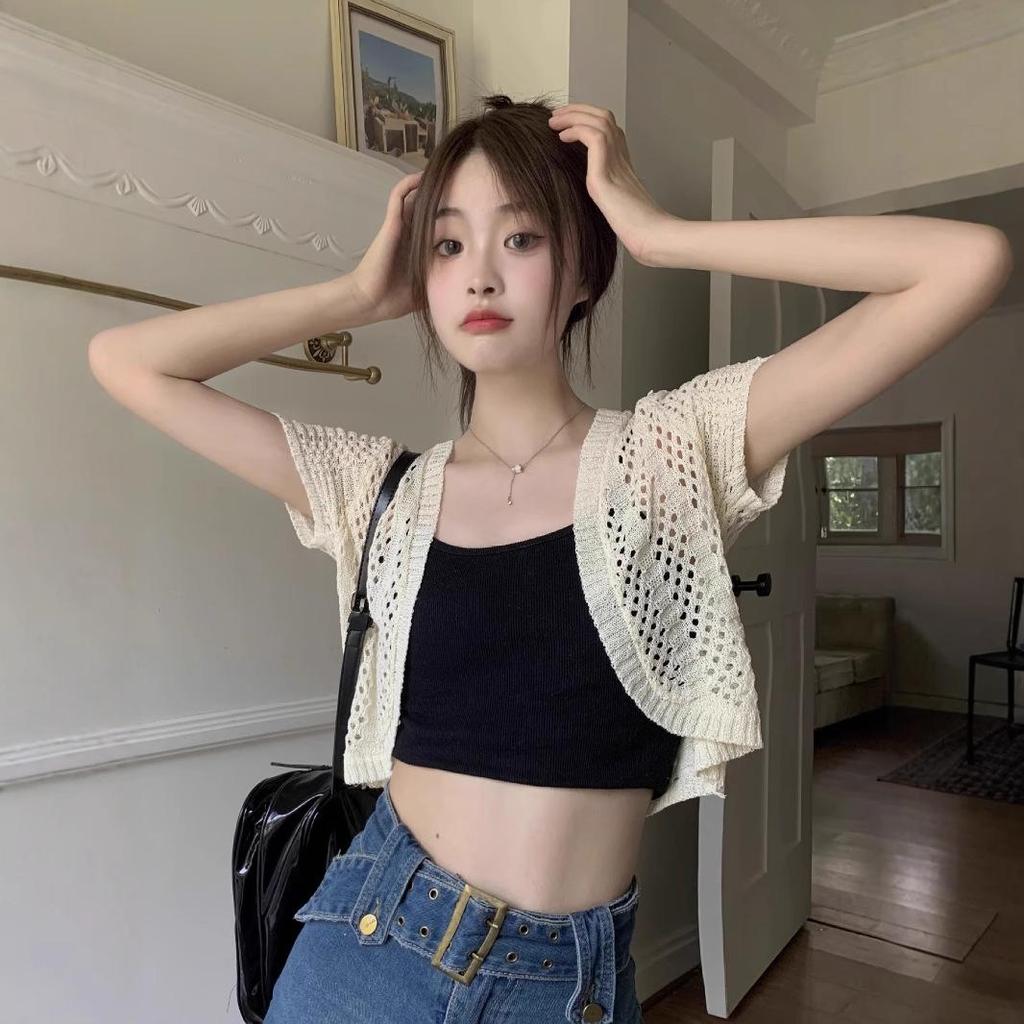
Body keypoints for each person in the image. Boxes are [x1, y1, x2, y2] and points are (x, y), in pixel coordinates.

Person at [87, 93, 1012, 1023]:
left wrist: (658, 234)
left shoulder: (669, 456)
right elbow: (127, 361)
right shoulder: (376, 489)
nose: (480, 276)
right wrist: (359, 296)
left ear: (582, 270)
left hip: (566, 985)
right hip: (367, 953)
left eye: (521, 238)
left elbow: (964, 264)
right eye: (448, 246)